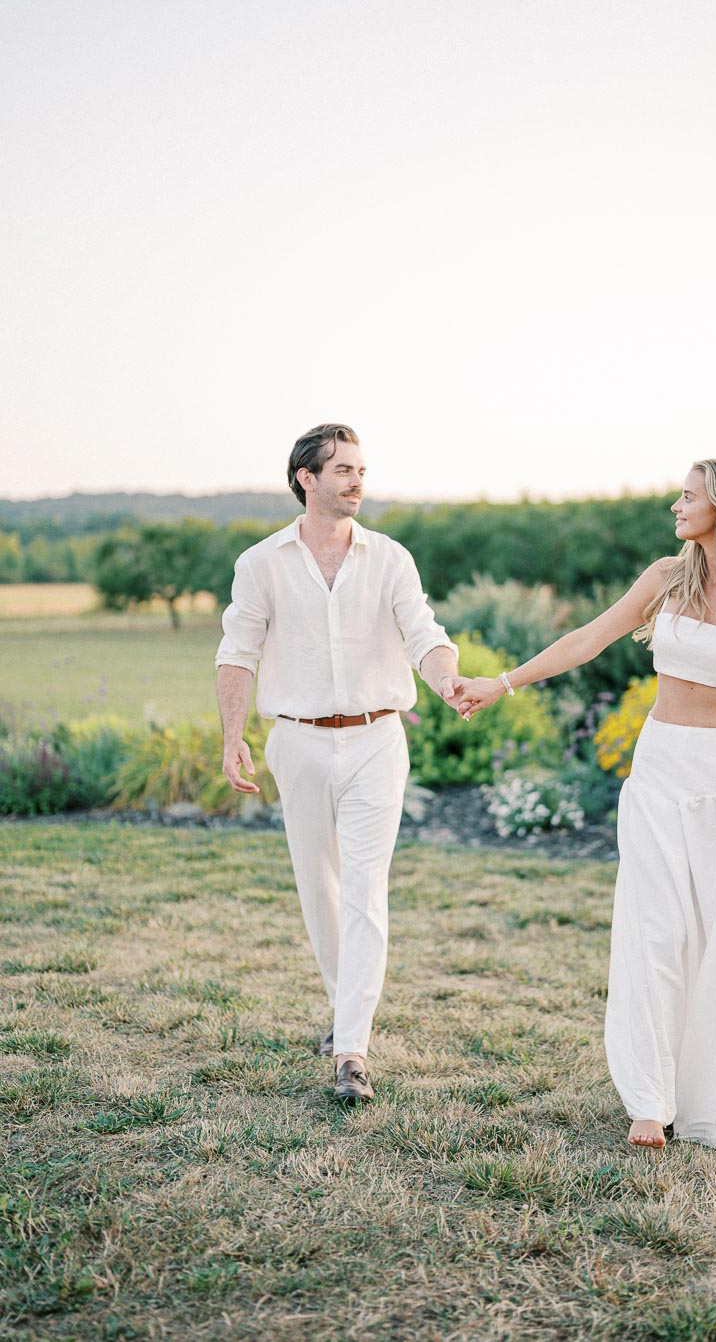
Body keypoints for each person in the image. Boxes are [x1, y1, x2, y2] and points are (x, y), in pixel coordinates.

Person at [458, 459, 716, 1149]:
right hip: (660, 770)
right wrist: (504, 681)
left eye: (688, 494)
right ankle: (649, 1100)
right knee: (654, 932)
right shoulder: (664, 579)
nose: (676, 504)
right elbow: (587, 639)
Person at [216, 423, 467, 1104]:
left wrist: (447, 680)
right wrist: (232, 736)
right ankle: (343, 1009)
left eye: (362, 470)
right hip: (296, 741)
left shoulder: (390, 558)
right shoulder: (261, 563)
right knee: (318, 885)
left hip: (376, 739)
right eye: (344, 471)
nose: (358, 482)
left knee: (365, 887)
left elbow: (425, 633)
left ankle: (352, 1048)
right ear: (307, 478)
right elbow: (237, 653)